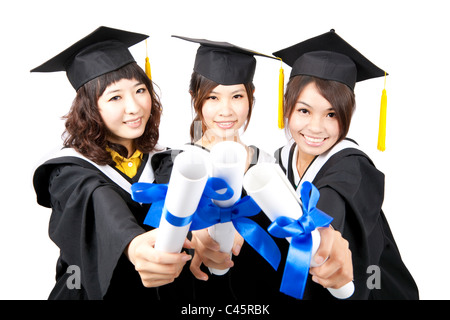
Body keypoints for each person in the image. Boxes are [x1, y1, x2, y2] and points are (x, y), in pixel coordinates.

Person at [172, 36, 353, 300]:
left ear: (251, 98)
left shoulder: (270, 163)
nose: (226, 110)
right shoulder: (180, 165)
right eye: (213, 97)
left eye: (237, 96)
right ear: (195, 98)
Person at [31, 26, 193, 300]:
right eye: (115, 97)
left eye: (140, 90)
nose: (135, 107)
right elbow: (96, 198)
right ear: (90, 108)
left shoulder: (168, 161)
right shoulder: (69, 172)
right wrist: (131, 243)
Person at [273, 29, 419, 299]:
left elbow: (333, 200)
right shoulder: (281, 158)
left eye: (331, 114)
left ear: (348, 113)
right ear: (287, 107)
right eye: (304, 110)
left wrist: (323, 230)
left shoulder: (353, 165)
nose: (316, 128)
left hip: (374, 286)